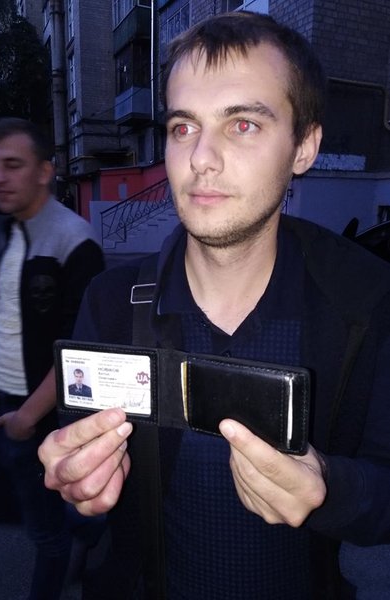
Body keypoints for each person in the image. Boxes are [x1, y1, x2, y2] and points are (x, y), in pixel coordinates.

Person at [38, 12, 390, 599]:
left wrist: (329, 487)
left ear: (304, 146)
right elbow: (78, 470)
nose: (201, 157)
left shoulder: (365, 300)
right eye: (183, 127)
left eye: (242, 124)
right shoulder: (110, 303)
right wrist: (78, 484)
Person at [0, 117, 105, 600]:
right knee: (21, 507)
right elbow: (9, 313)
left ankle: (88, 535)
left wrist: (27, 416)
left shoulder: (74, 241)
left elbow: (81, 347)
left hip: (36, 411)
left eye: (12, 165)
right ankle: (90, 525)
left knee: (47, 536)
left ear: (45, 171)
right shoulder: (13, 229)